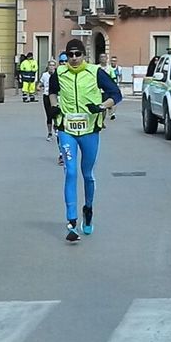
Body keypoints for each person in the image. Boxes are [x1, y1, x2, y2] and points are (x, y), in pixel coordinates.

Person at [49, 39, 122, 242]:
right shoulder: (59, 73)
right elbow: (52, 93)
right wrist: (54, 107)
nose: (73, 58)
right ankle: (71, 223)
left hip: (90, 130)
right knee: (70, 171)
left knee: (87, 174)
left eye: (77, 54)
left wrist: (100, 106)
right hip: (67, 129)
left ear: (83, 55)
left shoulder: (95, 72)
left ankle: (88, 210)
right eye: (70, 55)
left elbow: (116, 94)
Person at [39, 60, 57, 141]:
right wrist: (38, 87)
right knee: (48, 115)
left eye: (53, 65)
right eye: (50, 65)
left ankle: (56, 128)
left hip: (55, 96)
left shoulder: (57, 75)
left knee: (55, 113)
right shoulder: (44, 75)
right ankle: (49, 132)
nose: (51, 67)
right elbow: (40, 83)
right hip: (46, 95)